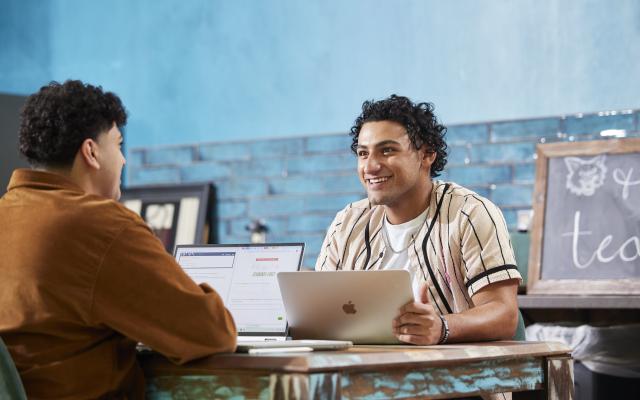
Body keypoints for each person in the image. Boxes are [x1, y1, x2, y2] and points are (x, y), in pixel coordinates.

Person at [0, 80, 236, 399]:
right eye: (118, 144)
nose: (123, 160)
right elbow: (212, 332)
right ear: (91, 152)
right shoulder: (101, 226)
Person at [316, 95, 522, 346]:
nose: (370, 166)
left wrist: (442, 327)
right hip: (365, 374)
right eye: (362, 153)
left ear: (427, 154)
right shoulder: (346, 222)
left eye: (387, 150)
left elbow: (504, 314)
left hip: (455, 377)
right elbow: (320, 313)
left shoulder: (470, 213)